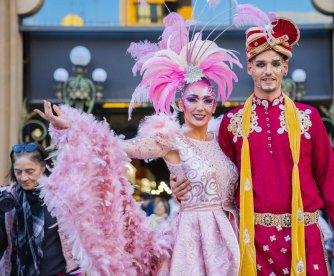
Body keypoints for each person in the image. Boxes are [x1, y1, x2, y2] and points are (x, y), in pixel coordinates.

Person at [35, 10, 242, 275]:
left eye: (207, 100)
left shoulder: (224, 137)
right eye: (192, 99)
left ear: (215, 105)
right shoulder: (170, 140)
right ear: (181, 103)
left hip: (231, 233)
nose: (200, 107)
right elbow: (120, 145)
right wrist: (75, 124)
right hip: (192, 241)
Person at [172, 12, 334, 276]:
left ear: (285, 68)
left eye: (275, 63)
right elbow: (215, 174)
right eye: (260, 64)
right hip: (252, 240)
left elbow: (328, 177)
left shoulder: (309, 117)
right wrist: (181, 186)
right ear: (250, 68)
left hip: (305, 236)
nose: (268, 71)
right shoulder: (231, 122)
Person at [0, 143, 78, 276]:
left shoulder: (62, 197)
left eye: (30, 171)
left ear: (43, 167)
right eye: (18, 172)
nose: (23, 178)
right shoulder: (7, 198)